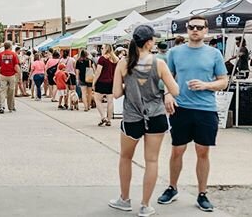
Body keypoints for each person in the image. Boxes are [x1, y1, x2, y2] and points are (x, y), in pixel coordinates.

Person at [157, 15, 228, 212]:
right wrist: (168, 94)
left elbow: (223, 80)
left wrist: (206, 85)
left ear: (206, 30)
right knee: (177, 150)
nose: (195, 30)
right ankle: (172, 188)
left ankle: (202, 193)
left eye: (199, 27)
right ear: (187, 29)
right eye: (191, 27)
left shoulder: (214, 54)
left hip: (206, 109)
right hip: (181, 108)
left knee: (202, 151)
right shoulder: (175, 52)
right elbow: (167, 77)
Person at [108, 25, 179, 216]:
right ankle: (145, 205)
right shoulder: (159, 64)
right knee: (152, 160)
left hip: (132, 117)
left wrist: (129, 88)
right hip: (155, 116)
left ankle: (124, 199)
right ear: (148, 42)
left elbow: (115, 93)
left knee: (125, 157)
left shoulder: (123, 63)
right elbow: (176, 90)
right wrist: (163, 92)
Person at [93, 44, 119, 127]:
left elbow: (98, 71)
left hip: (102, 81)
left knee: (97, 100)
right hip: (111, 82)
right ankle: (109, 120)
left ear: (106, 49)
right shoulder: (115, 59)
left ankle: (103, 117)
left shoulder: (102, 59)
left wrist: (94, 82)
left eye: (102, 47)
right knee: (110, 101)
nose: (101, 49)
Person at [0, 41, 20, 114]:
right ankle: (11, 107)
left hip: (3, 75)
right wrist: (19, 74)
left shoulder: (0, 54)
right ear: (10, 47)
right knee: (11, 91)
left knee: (2, 91)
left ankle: (1, 106)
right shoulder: (14, 54)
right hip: (12, 75)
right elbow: (16, 66)